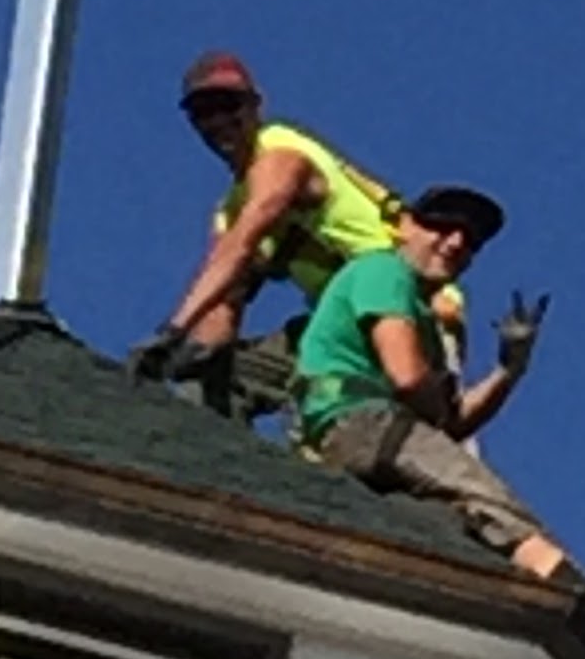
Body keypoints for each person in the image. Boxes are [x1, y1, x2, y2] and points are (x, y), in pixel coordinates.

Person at [129, 52, 462, 414]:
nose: (219, 120)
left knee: (380, 414)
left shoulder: (281, 153)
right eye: (204, 112)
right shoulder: (230, 209)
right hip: (349, 322)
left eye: (229, 105)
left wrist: (172, 331)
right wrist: (193, 355)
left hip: (406, 309)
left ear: (255, 106)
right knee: (221, 382)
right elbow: (226, 294)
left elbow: (244, 242)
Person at [295, 186, 574, 582]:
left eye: (470, 240)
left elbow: (451, 423)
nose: (456, 242)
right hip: (362, 421)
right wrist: (434, 404)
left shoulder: (424, 323)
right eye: (441, 227)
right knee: (487, 498)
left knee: (448, 524)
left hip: (369, 439)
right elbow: (408, 378)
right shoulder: (384, 270)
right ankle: (568, 589)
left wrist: (509, 369)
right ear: (405, 227)